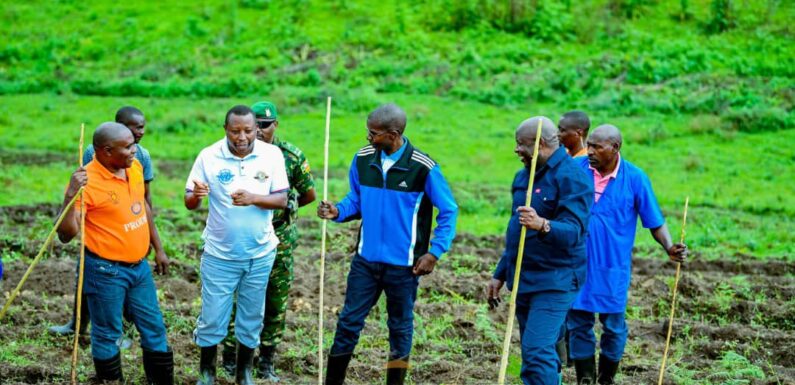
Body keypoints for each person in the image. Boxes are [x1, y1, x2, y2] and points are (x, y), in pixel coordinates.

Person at [317, 103, 458, 385]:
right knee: (348, 323)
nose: (368, 137)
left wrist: (434, 252)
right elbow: (356, 200)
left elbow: (449, 210)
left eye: (374, 133)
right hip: (365, 262)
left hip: (404, 268)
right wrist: (337, 211)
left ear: (393, 134)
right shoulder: (363, 159)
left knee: (400, 328)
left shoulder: (423, 168)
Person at [567, 124, 688, 385]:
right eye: (589, 145)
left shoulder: (634, 178)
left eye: (598, 147)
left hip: (613, 267)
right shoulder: (575, 171)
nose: (590, 151)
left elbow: (654, 221)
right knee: (578, 324)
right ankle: (584, 379)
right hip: (576, 264)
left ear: (615, 148)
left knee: (613, 327)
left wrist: (669, 247)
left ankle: (606, 379)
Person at [56, 122, 173, 384]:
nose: (135, 150)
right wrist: (70, 196)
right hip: (105, 271)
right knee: (108, 333)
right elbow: (65, 235)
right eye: (128, 146)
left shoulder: (134, 167)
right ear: (107, 151)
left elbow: (142, 207)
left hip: (139, 268)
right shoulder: (87, 182)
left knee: (154, 327)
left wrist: (159, 248)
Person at [185, 105, 289, 385]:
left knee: (251, 315)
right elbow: (189, 202)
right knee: (212, 315)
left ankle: (244, 374)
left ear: (257, 129)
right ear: (226, 130)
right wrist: (196, 194)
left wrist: (254, 198)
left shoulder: (272, 155)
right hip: (220, 254)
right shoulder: (209, 156)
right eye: (235, 131)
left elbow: (281, 199)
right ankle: (207, 372)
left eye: (247, 130)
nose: (241, 137)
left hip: (260, 253)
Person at [486, 116, 592, 385]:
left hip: (556, 279)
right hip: (525, 278)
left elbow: (574, 231)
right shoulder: (523, 177)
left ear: (540, 143)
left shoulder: (573, 177)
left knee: (536, 351)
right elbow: (516, 230)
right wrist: (500, 274)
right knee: (541, 351)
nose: (516, 150)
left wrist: (543, 224)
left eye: (520, 144)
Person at [221, 101, 316, 382]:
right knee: (237, 298)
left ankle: (267, 362)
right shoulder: (236, 156)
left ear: (276, 125)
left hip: (279, 239)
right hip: (244, 237)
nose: (259, 131)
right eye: (255, 125)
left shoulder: (289, 156)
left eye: (265, 125)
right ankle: (229, 358)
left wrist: (283, 210)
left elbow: (307, 194)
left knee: (275, 300)